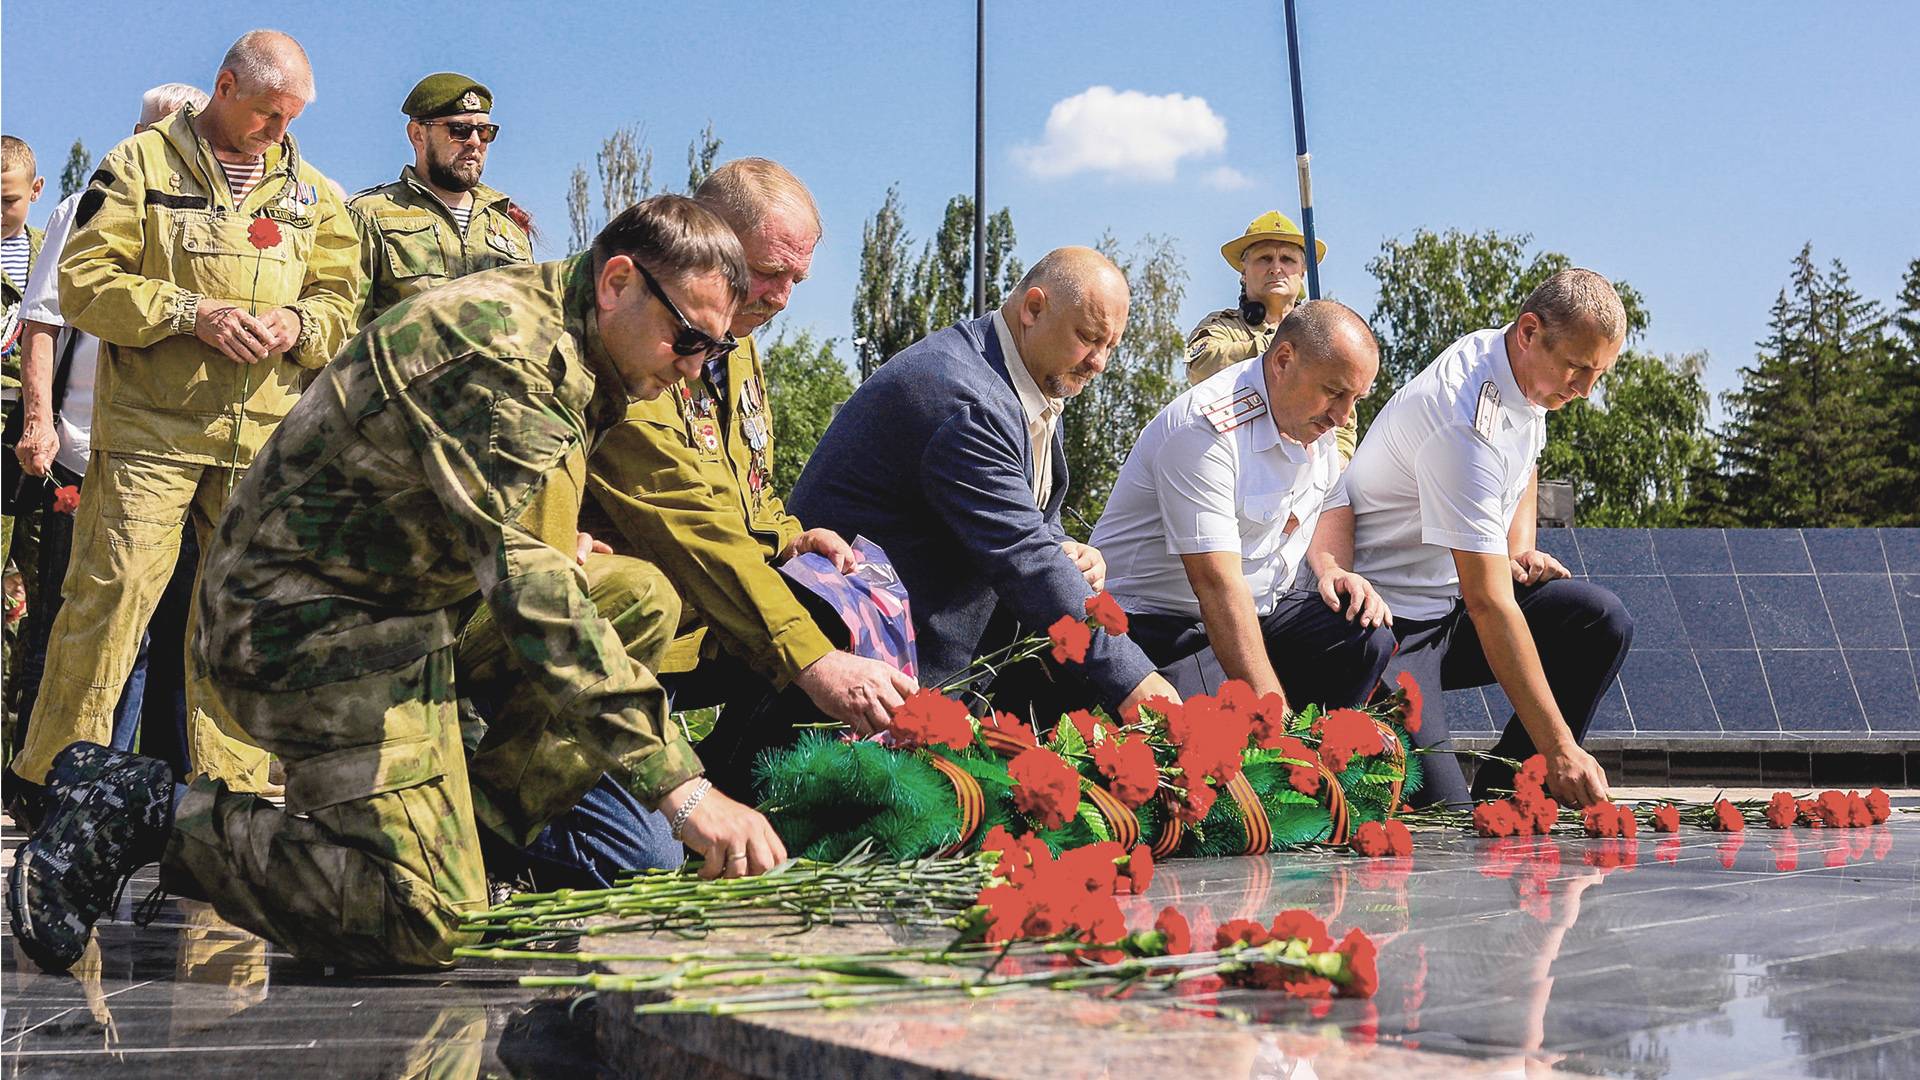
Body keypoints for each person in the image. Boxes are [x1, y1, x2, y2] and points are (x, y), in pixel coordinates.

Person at [9, 194, 787, 976]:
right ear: (619, 280)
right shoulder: (509, 358)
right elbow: (534, 592)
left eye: (712, 353)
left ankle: (475, 851)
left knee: (637, 600)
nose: (694, 368)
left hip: (405, 609)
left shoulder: (575, 340)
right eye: (688, 338)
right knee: (426, 925)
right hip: (303, 628)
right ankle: (149, 814)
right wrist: (684, 791)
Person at [8, 31, 363, 810]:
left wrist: (298, 325)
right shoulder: (136, 167)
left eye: (295, 117)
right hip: (151, 435)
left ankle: (227, 803)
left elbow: (344, 303)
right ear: (226, 86)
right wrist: (187, 312)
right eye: (270, 114)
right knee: (111, 597)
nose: (282, 133)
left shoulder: (316, 194)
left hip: (261, 440)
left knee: (239, 615)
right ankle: (56, 785)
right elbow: (85, 284)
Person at [768, 248, 1178, 784]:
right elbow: (1022, 559)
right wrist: (1134, 681)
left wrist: (1067, 550)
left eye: (1110, 347)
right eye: (1087, 338)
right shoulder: (967, 399)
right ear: (1033, 308)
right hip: (850, 704)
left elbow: (1029, 532)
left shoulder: (1013, 377)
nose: (1098, 362)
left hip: (912, 679)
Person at [1329, 268, 1635, 808]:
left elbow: (1523, 462)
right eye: (1578, 369)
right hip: (1389, 627)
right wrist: (1561, 746)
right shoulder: (1462, 418)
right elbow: (1490, 604)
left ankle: (1510, 786)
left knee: (1600, 621)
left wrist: (1519, 545)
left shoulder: (1525, 371)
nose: (1586, 390)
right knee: (1447, 825)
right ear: (1529, 331)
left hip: (1452, 607)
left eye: (1599, 374)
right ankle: (1524, 772)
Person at [6, 85, 210, 787]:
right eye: (159, 133)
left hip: (188, 459)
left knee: (176, 632)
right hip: (87, 452)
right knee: (83, 627)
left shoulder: (221, 219)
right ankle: (64, 787)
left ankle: (161, 793)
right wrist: (39, 423)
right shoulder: (85, 205)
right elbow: (43, 321)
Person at [1092, 300, 1394, 708]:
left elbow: (1332, 501)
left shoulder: (1311, 419)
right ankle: (1285, 758)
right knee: (1212, 729)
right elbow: (1217, 587)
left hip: (1256, 612)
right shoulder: (1206, 430)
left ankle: (1324, 757)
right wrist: (1278, 723)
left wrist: (1332, 568)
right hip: (1160, 625)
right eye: (1335, 392)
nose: (1343, 415)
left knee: (1364, 635)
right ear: (1283, 360)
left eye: (1356, 397)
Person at [349, 72, 532, 325]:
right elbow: (345, 331)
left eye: (485, 131)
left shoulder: (509, 229)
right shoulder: (369, 216)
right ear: (418, 135)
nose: (475, 142)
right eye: (460, 130)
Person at [1185, 212, 1357, 463]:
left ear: (1302, 273)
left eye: (1287, 260)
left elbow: (1345, 419)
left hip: (1305, 471)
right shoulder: (1223, 326)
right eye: (1264, 258)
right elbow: (1201, 366)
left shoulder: (1327, 338)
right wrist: (1276, 347)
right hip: (1234, 464)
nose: (1276, 268)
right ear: (1244, 272)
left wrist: (1335, 467)